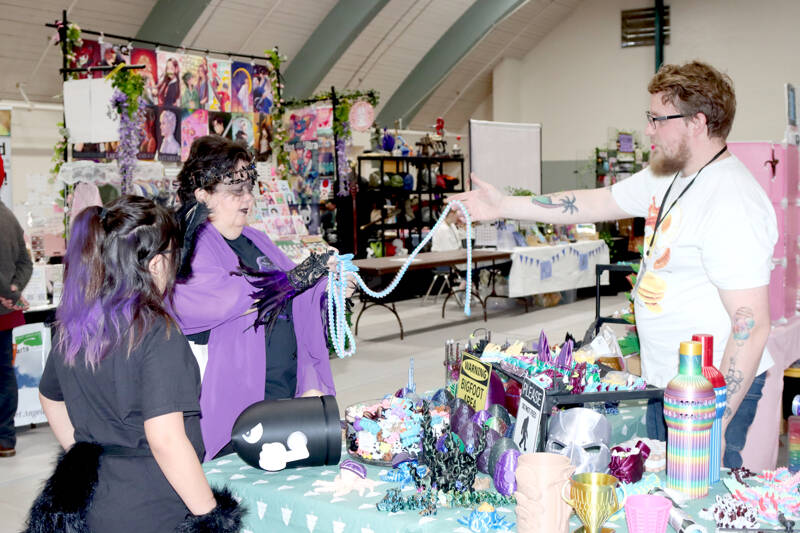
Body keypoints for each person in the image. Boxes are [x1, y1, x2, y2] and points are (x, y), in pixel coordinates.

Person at [450, 60, 777, 468]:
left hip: (707, 397)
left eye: (658, 118)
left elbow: (751, 323)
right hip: (667, 382)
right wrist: (502, 206)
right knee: (664, 488)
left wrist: (716, 418)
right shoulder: (670, 175)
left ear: (696, 122)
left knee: (696, 496)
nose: (649, 129)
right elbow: (591, 202)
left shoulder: (732, 201)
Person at [29, 196, 243, 532]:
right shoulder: (157, 334)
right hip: (153, 502)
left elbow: (49, 397)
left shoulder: (77, 324)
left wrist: (81, 451)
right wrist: (211, 516)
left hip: (95, 499)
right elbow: (166, 440)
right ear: (156, 263)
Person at [171, 135, 341, 461]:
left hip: (283, 389)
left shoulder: (256, 238)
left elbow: (298, 291)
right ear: (203, 195)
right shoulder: (192, 246)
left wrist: (329, 285)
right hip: (237, 403)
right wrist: (288, 281)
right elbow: (212, 300)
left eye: (249, 188)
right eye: (235, 191)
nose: (247, 198)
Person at [0, 178, 32, 458]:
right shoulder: (10, 218)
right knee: (4, 374)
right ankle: (6, 438)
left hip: (4, 304)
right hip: (6, 312)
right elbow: (26, 261)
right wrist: (13, 290)